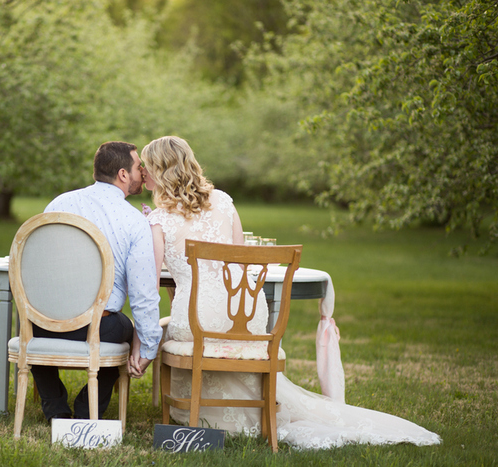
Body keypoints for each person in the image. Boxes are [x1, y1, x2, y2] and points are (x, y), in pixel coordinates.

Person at [140, 135, 441, 449]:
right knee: (206, 326)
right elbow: (243, 260)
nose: (144, 172)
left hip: (197, 321)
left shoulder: (158, 220)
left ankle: (197, 417)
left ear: (161, 171)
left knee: (167, 330)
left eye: (147, 167)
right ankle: (246, 413)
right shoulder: (224, 202)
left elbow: (150, 279)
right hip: (248, 315)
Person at [32, 141, 162, 421]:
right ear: (123, 175)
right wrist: (149, 345)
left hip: (43, 322)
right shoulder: (133, 220)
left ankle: (55, 408)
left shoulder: (59, 204)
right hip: (97, 326)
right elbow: (143, 292)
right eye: (139, 166)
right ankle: (87, 409)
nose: (143, 171)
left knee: (28, 323)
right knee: (123, 329)